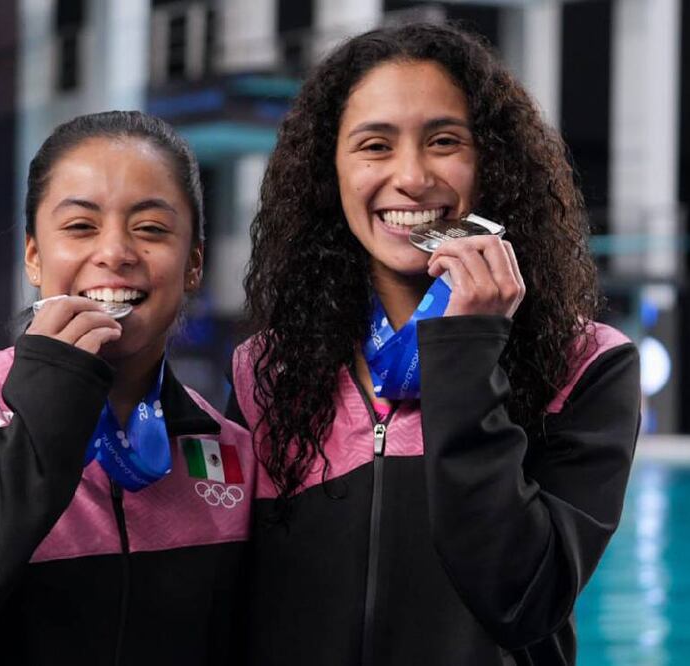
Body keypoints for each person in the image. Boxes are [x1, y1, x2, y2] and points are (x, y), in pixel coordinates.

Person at [228, 22, 641, 666]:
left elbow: (522, 601)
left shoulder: (586, 365)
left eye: (444, 141)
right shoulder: (270, 369)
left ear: (492, 162)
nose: (412, 177)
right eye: (374, 146)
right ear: (329, 171)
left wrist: (468, 351)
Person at [0, 111, 254, 665]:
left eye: (151, 229)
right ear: (34, 256)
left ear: (193, 264)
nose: (115, 252)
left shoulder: (232, 449)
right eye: (81, 226)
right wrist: (43, 422)